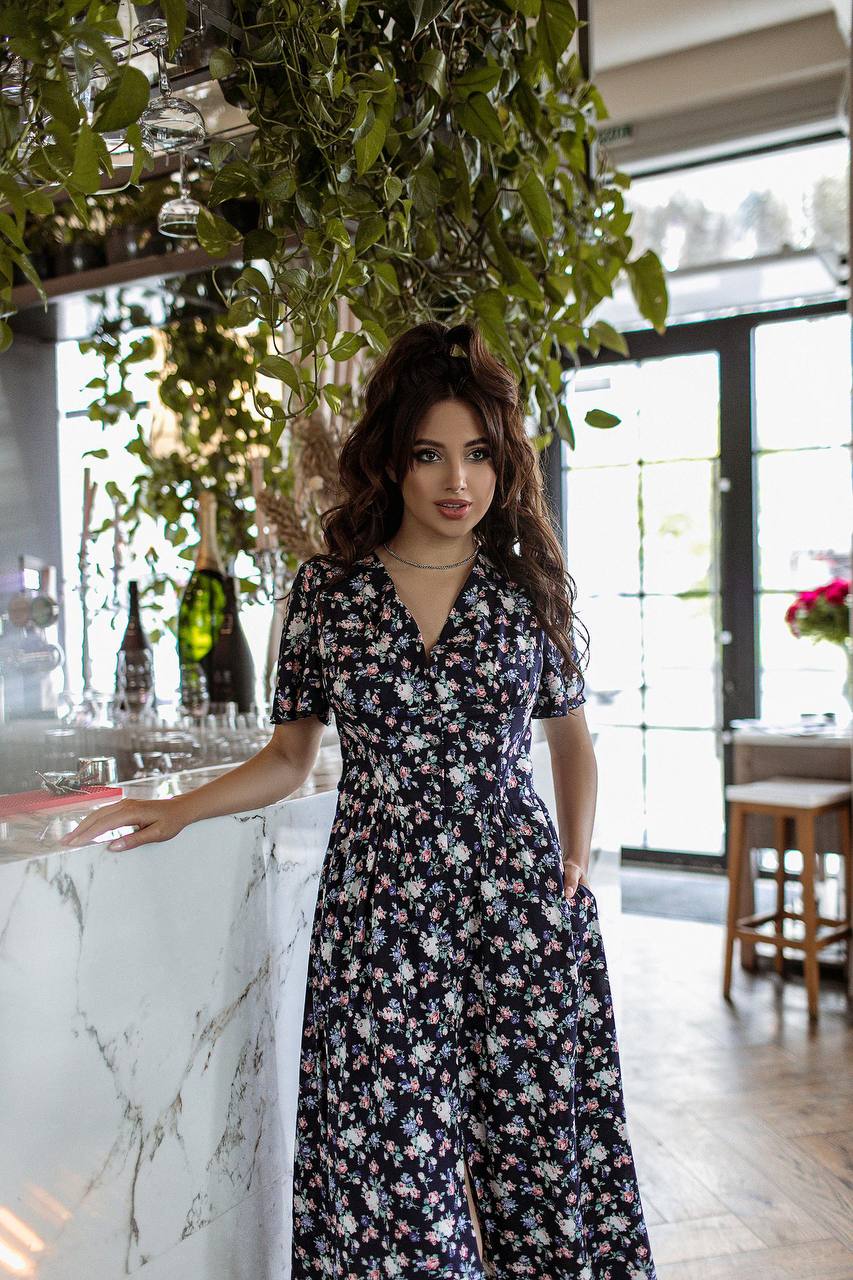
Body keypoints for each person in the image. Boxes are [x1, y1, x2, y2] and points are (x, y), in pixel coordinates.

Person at [61, 320, 657, 1279]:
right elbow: (289, 758)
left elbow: (571, 741)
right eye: (429, 454)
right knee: (391, 1178)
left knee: (542, 1171)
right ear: (392, 459)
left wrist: (573, 860)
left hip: (516, 905)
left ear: (503, 463)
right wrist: (177, 809)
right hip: (379, 916)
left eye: (478, 454)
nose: (456, 479)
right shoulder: (329, 593)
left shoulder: (525, 589)